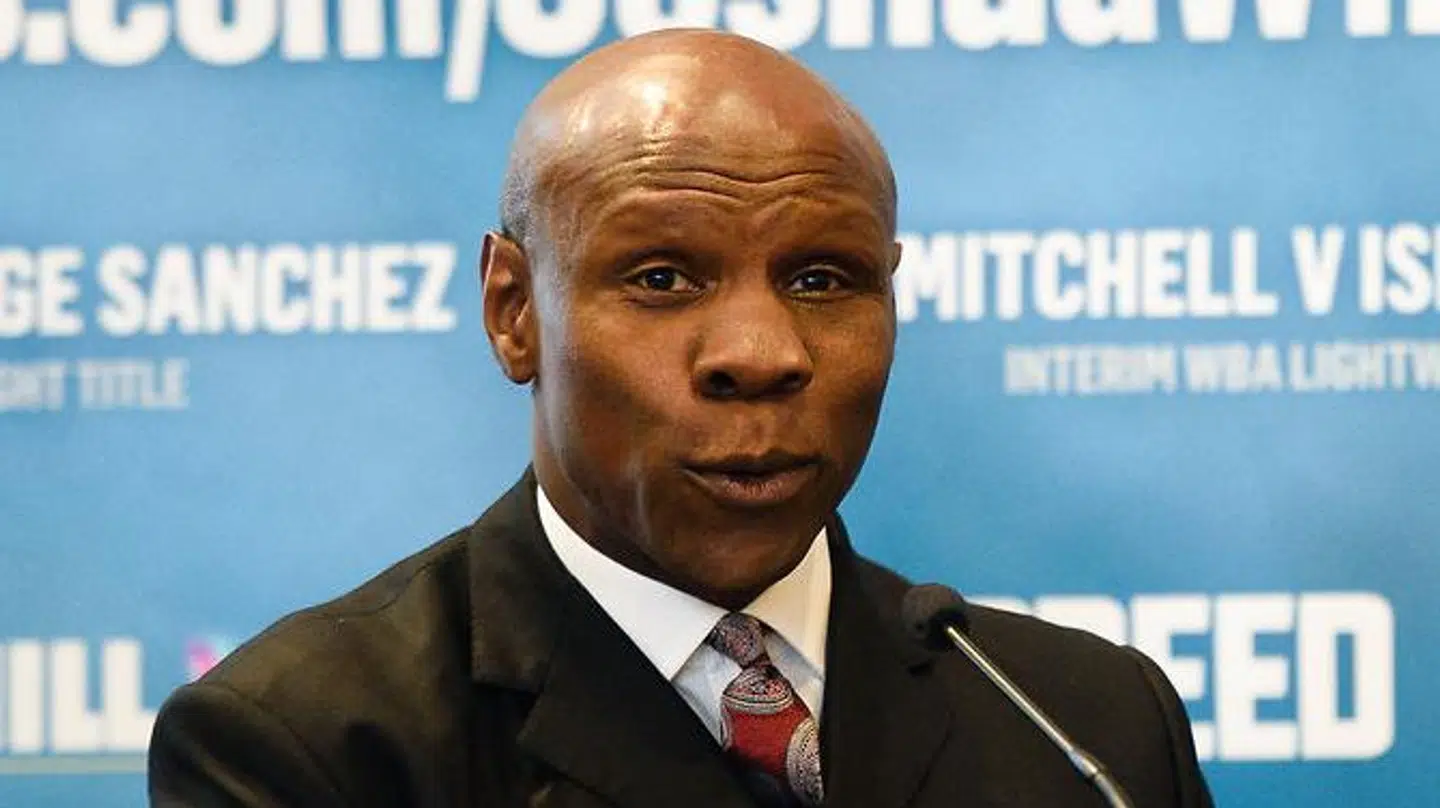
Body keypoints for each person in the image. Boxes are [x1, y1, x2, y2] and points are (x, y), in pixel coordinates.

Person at [148, 28, 1214, 808]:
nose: (762, 354)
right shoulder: (314, 746)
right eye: (661, 278)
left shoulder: (1086, 726)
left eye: (822, 279)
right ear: (514, 312)